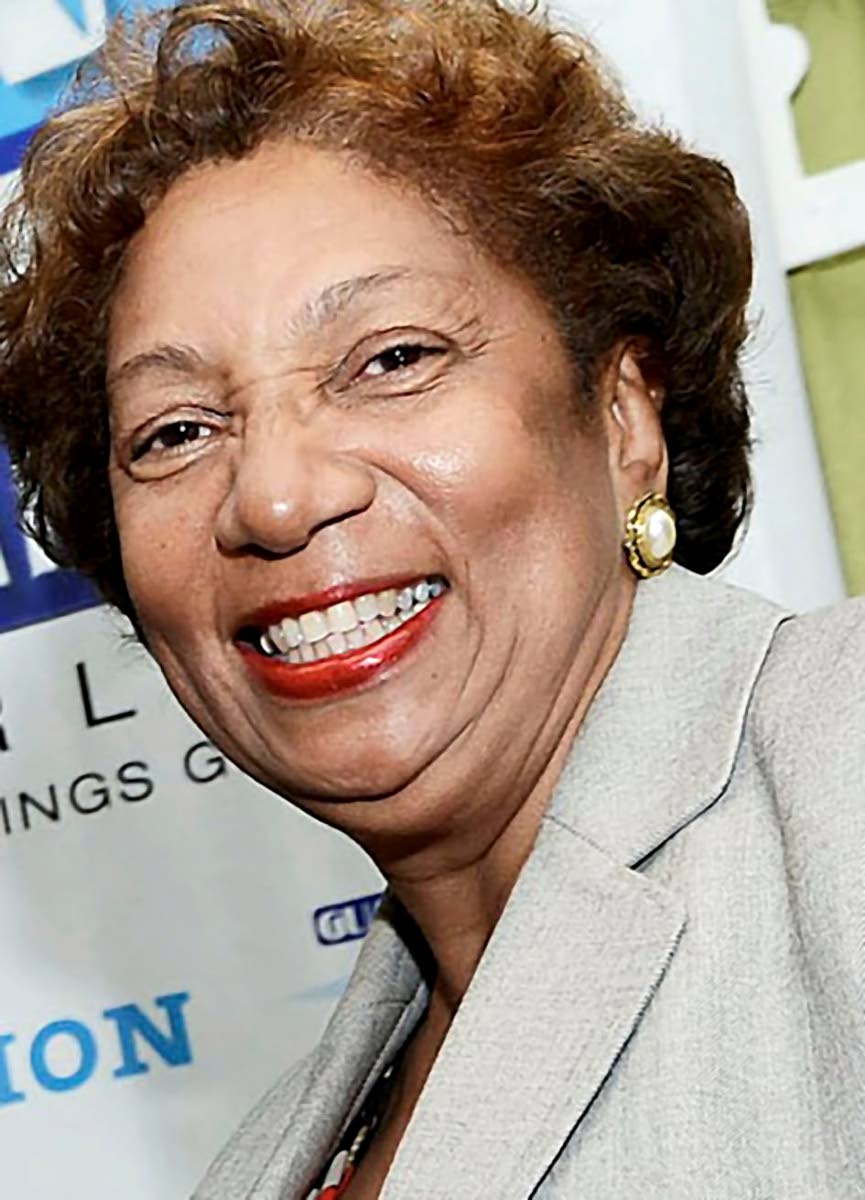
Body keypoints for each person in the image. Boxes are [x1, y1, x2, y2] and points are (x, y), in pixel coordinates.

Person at [1, 1, 863, 1196]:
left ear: (623, 416)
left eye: (392, 359)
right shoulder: (263, 1165)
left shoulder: (838, 766)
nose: (274, 497)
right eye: (177, 431)